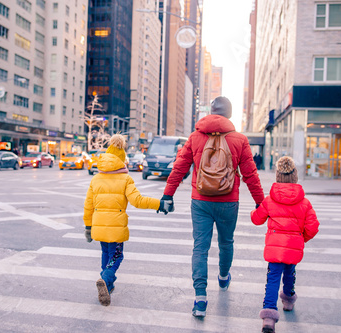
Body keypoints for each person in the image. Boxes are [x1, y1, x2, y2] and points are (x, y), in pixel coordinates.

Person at [161, 96, 265, 317]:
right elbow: (250, 175)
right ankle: (224, 277)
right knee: (226, 242)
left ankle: (200, 299)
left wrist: (167, 195)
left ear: (211, 112)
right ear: (229, 114)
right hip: (229, 202)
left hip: (200, 201)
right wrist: (260, 202)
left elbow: (180, 168)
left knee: (200, 247)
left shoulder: (195, 137)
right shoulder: (240, 140)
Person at [83, 134, 173, 306]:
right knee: (117, 255)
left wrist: (88, 226)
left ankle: (108, 285)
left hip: (99, 227)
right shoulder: (125, 179)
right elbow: (137, 201)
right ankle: (106, 277)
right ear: (122, 160)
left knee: (106, 253)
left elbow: (88, 205)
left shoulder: (96, 179)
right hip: (116, 227)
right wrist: (160, 205)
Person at [251, 156, 319, 333]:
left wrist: (255, 209)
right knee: (290, 272)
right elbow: (313, 226)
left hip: (274, 248)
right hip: (293, 246)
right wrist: (301, 238)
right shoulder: (304, 202)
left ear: (277, 176)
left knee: (273, 278)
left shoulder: (269, 200)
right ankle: (288, 300)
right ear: (295, 176)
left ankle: (268, 318)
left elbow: (256, 219)